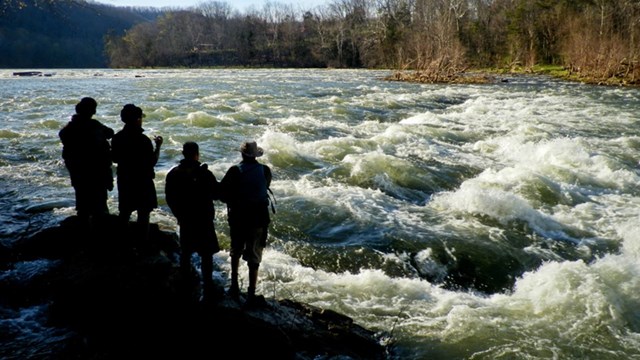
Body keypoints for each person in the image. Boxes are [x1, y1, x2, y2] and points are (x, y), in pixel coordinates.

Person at [165, 141, 222, 301]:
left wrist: (179, 215)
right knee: (206, 255)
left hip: (186, 219)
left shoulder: (174, 173)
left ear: (183, 154)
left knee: (186, 252)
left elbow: (170, 198)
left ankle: (184, 284)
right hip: (204, 219)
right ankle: (208, 286)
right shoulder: (205, 173)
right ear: (197, 154)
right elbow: (217, 194)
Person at [220, 140, 273, 307]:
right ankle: (251, 293)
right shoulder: (265, 170)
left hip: (239, 218)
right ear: (256, 155)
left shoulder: (235, 170)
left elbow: (222, 193)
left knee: (235, 251)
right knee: (254, 256)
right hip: (259, 219)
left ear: (242, 154)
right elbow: (264, 187)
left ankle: (234, 287)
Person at [111, 104, 163, 247]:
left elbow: (114, 158)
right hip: (142, 180)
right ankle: (142, 245)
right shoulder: (143, 140)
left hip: (125, 179)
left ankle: (122, 244)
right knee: (144, 213)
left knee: (125, 212)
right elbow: (152, 162)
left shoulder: (117, 138)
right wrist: (158, 146)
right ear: (138, 119)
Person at [59, 97, 114, 226]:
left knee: (82, 203)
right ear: (92, 111)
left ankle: (84, 232)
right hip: (96, 171)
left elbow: (63, 136)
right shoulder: (94, 126)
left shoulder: (69, 128)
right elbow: (110, 133)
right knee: (99, 205)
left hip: (78, 171)